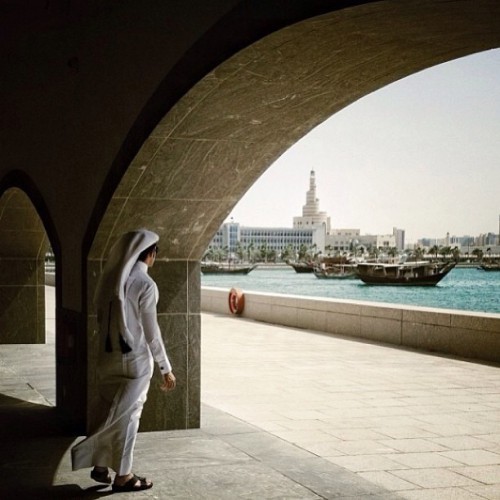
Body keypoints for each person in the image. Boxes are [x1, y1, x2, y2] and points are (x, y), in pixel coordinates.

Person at [71, 229, 176, 492]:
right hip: (135, 360)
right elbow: (152, 333)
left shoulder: (110, 282)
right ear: (151, 254)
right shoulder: (146, 285)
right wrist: (166, 367)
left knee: (106, 408)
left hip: (107, 358)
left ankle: (100, 465)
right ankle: (124, 476)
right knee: (130, 416)